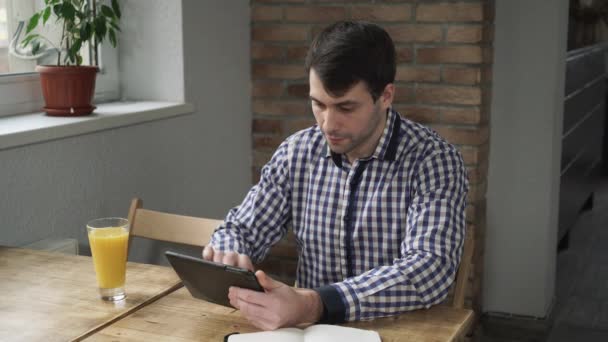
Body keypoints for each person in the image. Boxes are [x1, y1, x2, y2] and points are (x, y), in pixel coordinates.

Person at [202, 20, 468, 331]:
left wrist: (314, 303)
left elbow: (428, 269)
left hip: (397, 331)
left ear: (386, 96)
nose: (328, 124)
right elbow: (241, 228)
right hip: (306, 333)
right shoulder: (297, 152)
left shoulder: (434, 160)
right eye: (318, 104)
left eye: (345, 107)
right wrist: (230, 250)